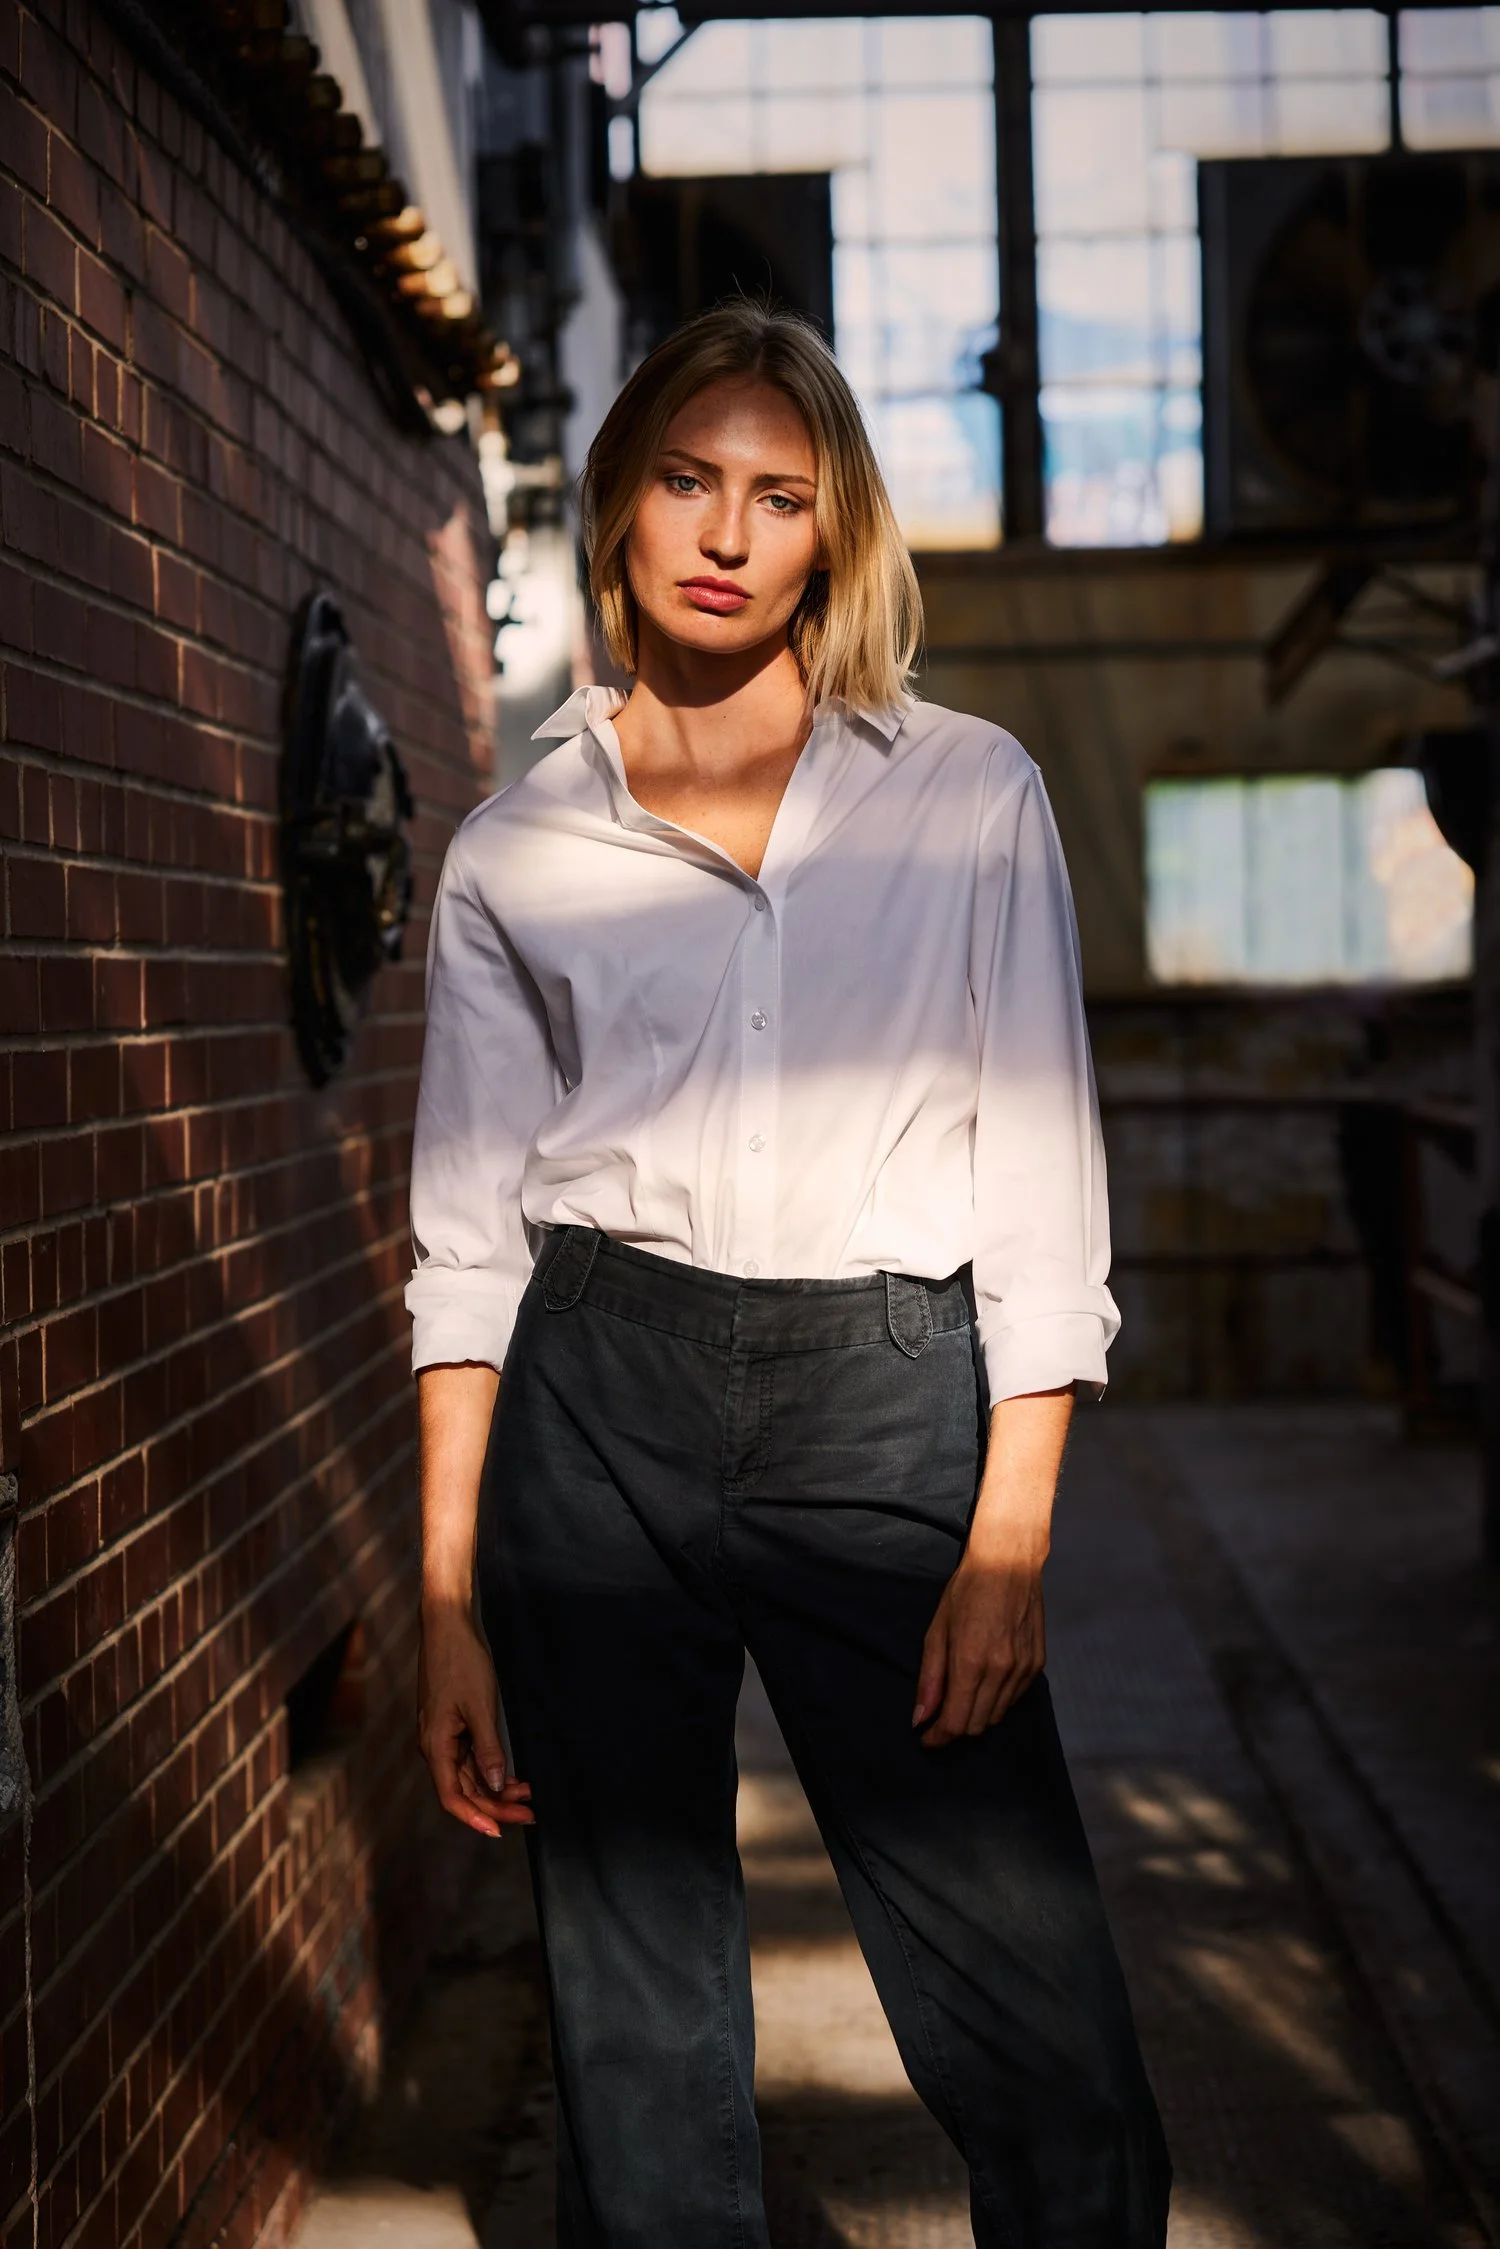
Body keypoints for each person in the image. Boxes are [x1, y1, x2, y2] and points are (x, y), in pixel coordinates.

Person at [407, 300, 1170, 2249]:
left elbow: (1043, 1184)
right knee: (636, 2015)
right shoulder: (514, 848)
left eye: (779, 495)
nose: (728, 532)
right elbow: (472, 1237)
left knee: (1039, 2021)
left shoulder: (967, 792)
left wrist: (1010, 1530)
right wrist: (446, 1587)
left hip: (882, 1397)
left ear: (836, 535)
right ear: (618, 503)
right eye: (686, 481)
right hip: (599, 1405)